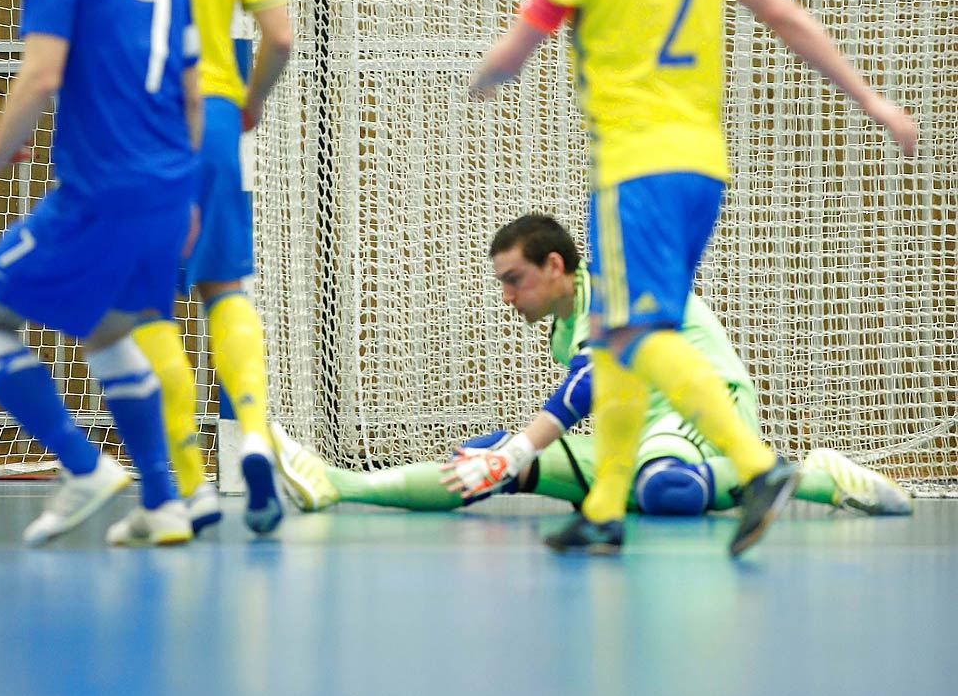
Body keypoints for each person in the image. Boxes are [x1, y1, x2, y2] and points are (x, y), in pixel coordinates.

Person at [469, 0, 917, 555]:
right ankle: (605, 507)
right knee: (613, 340)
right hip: (701, 168)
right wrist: (870, 98)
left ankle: (756, 464)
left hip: (633, 167)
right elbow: (783, 15)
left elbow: (519, 44)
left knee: (635, 334)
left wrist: (482, 76)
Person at [270, 215, 912, 522]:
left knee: (664, 491)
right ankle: (337, 483)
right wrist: (508, 456)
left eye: (514, 280)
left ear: (556, 267)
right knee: (485, 464)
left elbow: (590, 384)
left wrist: (523, 447)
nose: (508, 297)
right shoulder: (565, 325)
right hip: (640, 430)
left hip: (702, 414)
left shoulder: (613, 287)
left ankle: (803, 475)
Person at [0, 0, 202, 546]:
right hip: (167, 189)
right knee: (107, 331)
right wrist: (187, 193)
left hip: (103, 193)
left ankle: (78, 462)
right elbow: (192, 94)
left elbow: (39, 78)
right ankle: (163, 501)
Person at [109, 0, 292, 535]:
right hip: (214, 115)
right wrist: (247, 103)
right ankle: (252, 433)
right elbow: (280, 36)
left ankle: (189, 484)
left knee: (143, 304)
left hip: (135, 125)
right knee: (225, 286)